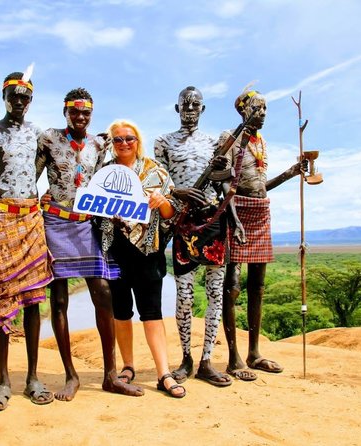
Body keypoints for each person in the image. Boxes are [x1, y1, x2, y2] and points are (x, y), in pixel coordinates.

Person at [36, 88, 143, 401]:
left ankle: (111, 375)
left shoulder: (99, 143)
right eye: (75, 111)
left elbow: (103, 183)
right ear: (65, 111)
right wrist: (35, 198)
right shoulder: (49, 138)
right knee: (58, 301)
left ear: (91, 114)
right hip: (55, 222)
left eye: (86, 113)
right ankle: (71, 376)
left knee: (102, 292)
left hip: (85, 224)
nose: (80, 117)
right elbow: (33, 176)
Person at [0, 69, 55, 411]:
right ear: (4, 97)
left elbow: (57, 170)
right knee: (4, 299)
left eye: (25, 97)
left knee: (35, 300)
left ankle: (33, 377)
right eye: (14, 96)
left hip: (32, 218)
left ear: (31, 100)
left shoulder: (38, 135)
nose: (19, 102)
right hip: (2, 220)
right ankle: (3, 380)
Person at [154, 86, 241, 386]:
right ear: (176, 108)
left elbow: (227, 182)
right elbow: (157, 182)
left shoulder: (215, 142)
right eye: (185, 104)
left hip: (214, 220)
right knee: (185, 295)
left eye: (196, 104)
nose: (190, 108)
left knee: (215, 293)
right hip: (183, 222)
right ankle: (186, 359)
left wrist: (222, 169)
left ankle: (206, 360)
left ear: (203, 109)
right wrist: (178, 191)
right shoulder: (163, 142)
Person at [220, 88, 306, 375]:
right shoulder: (229, 139)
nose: (263, 114)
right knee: (232, 285)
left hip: (260, 210)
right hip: (236, 211)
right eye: (258, 108)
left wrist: (290, 173)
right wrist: (234, 219)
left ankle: (254, 353)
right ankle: (234, 359)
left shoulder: (261, 143)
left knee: (257, 284)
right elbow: (222, 181)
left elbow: (260, 186)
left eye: (266, 109)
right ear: (243, 110)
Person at [101, 119, 186, 398]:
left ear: (138, 140)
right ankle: (127, 367)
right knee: (121, 312)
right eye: (118, 139)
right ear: (111, 143)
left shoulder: (156, 172)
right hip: (113, 250)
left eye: (129, 138)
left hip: (148, 249)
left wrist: (162, 203)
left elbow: (173, 212)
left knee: (151, 312)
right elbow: (90, 207)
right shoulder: (104, 172)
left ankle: (163, 373)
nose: (124, 143)